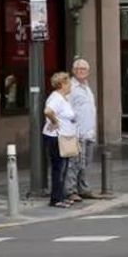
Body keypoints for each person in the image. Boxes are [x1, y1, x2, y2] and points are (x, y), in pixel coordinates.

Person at [43, 72, 78, 208]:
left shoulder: (64, 98)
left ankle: (61, 196)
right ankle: (56, 199)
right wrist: (54, 122)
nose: (70, 86)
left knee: (63, 168)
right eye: (69, 83)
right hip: (56, 137)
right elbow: (48, 111)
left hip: (65, 137)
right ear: (62, 84)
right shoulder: (56, 98)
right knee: (58, 168)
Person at [66, 58, 98, 199]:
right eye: (78, 69)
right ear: (73, 71)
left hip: (89, 132)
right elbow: (66, 108)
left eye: (83, 69)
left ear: (88, 72)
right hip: (77, 132)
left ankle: (83, 188)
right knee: (74, 164)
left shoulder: (86, 87)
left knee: (86, 163)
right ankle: (70, 191)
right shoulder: (71, 87)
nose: (81, 71)